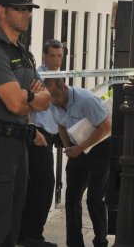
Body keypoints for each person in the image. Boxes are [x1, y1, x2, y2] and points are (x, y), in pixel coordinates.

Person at [0, 0, 51, 247]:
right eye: (21, 9)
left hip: (19, 143)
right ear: (1, 11)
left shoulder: (23, 52)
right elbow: (16, 105)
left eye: (29, 9)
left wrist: (25, 95)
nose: (27, 14)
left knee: (13, 223)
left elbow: (46, 99)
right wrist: (29, 96)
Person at [44, 78, 111, 247]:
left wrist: (80, 148)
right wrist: (68, 148)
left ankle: (101, 241)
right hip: (77, 149)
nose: (52, 100)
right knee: (72, 198)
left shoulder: (86, 100)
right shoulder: (53, 103)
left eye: (55, 96)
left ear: (65, 89)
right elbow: (61, 126)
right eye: (49, 96)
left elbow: (105, 128)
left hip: (99, 148)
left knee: (95, 198)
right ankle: (74, 243)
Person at [18, 39, 64, 247]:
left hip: (52, 134)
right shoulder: (38, 76)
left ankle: (30, 233)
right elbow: (25, 102)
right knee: (43, 185)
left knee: (41, 184)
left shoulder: (59, 77)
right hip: (38, 135)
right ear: (44, 56)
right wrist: (33, 129)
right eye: (52, 56)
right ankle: (31, 235)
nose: (56, 60)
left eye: (60, 56)